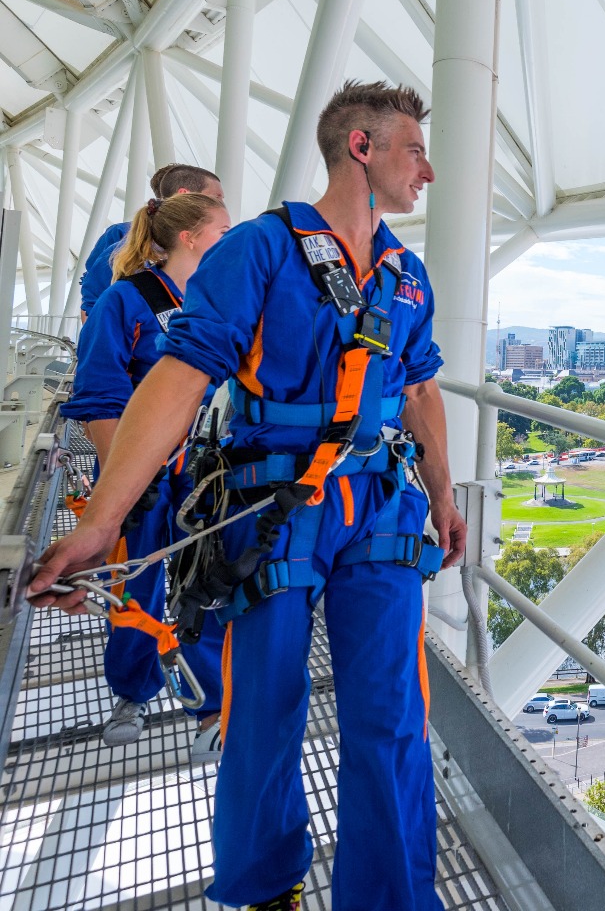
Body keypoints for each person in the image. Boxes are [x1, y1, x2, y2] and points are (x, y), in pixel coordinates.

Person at [30, 80, 466, 911]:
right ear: (362, 148)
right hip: (271, 511)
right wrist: (100, 522)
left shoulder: (406, 276)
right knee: (263, 710)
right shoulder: (260, 249)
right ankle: (267, 889)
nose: (428, 170)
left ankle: (392, 901)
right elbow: (181, 375)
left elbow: (419, 389)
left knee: (393, 718)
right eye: (414, 150)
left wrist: (443, 498)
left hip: (379, 507)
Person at [61, 192, 231, 755]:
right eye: (222, 228)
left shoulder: (218, 301)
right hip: (144, 473)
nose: (232, 239)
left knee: (205, 577)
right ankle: (133, 690)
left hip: (203, 470)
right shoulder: (125, 301)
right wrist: (125, 482)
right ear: (190, 237)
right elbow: (100, 397)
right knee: (136, 580)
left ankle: (212, 706)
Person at [79, 163, 224, 322]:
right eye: (217, 197)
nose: (221, 204)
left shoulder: (206, 252)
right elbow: (92, 303)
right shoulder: (123, 241)